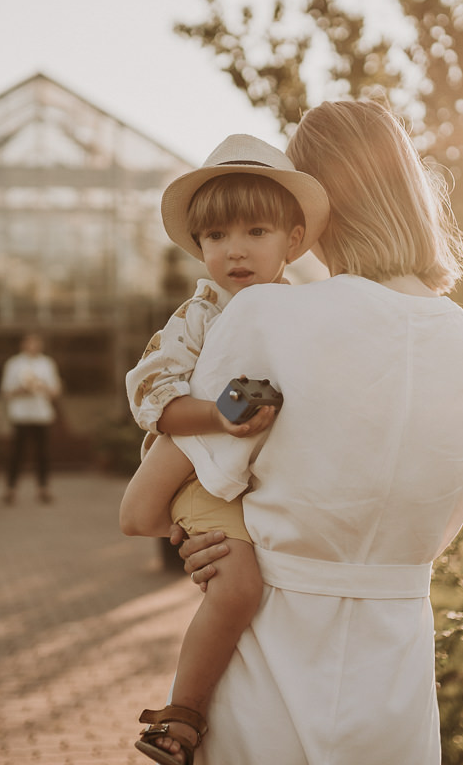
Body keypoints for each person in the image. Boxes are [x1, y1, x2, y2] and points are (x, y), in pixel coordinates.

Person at [139, 100, 463, 764]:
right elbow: (457, 499)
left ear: (314, 209)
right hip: (395, 675)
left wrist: (202, 529)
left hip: (272, 660)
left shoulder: (267, 316)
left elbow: (165, 485)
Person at [119, 134, 330, 765]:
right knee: (238, 588)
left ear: (292, 242)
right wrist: (216, 414)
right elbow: (150, 395)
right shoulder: (199, 316)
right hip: (200, 478)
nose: (233, 251)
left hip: (248, 480)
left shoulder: (304, 310)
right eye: (215, 238)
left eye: (255, 232)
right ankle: (182, 716)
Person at [0, 333, 62, 505]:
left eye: (36, 343)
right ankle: (10, 489)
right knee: (16, 454)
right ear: (23, 344)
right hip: (20, 415)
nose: (33, 346)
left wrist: (41, 387)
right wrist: (20, 390)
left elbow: (56, 391)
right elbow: (5, 392)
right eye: (30, 343)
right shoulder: (13, 364)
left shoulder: (47, 363)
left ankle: (43, 489)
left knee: (42, 454)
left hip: (41, 415)